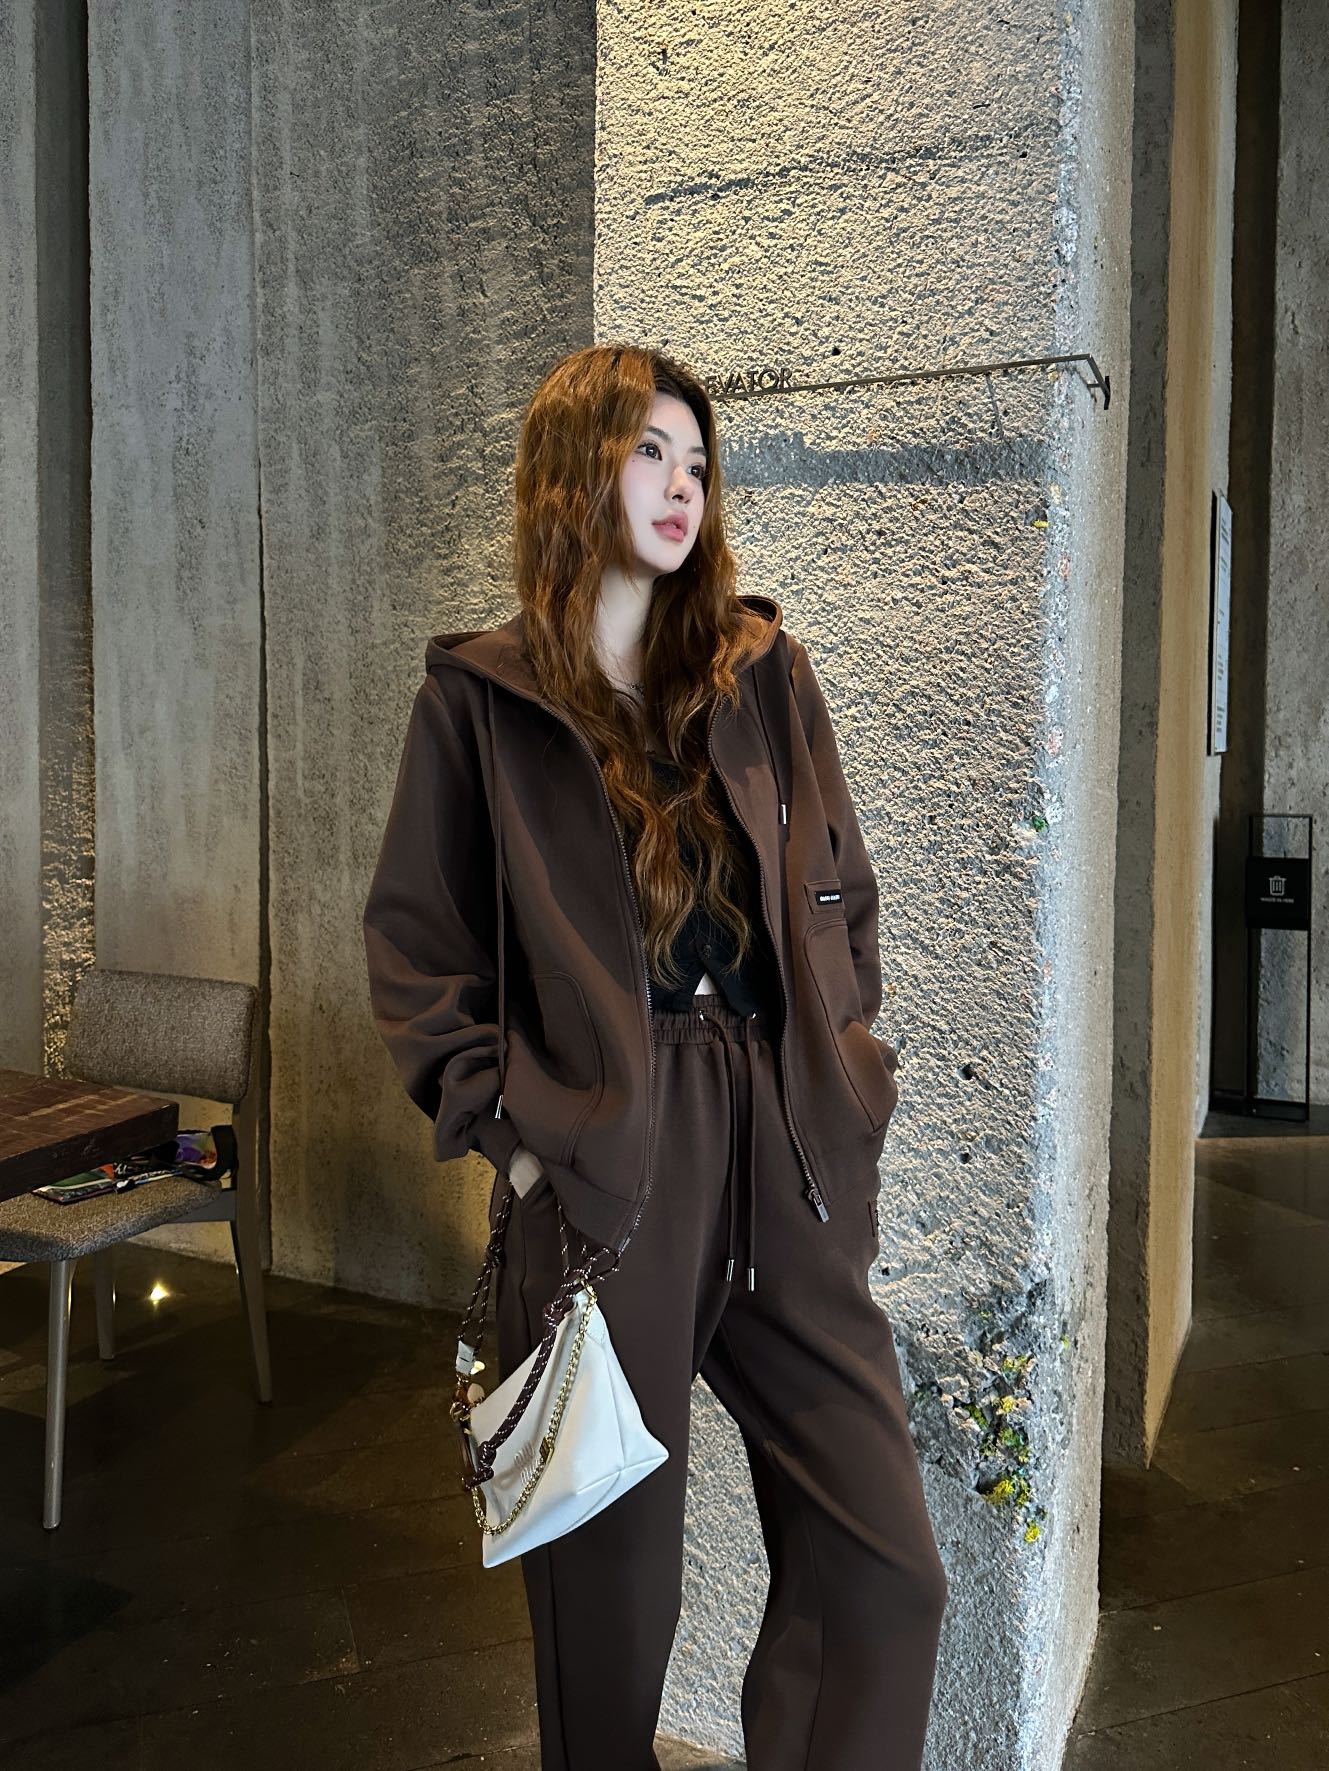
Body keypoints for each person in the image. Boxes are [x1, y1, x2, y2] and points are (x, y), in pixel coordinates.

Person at [362, 343, 948, 1770]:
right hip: (609, 1167)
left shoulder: (763, 673)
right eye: (648, 454)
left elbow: (839, 895)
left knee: (883, 1572)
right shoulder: (483, 702)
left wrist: (848, 1071)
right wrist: (520, 1142)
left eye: (696, 462)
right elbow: (419, 951)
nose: (682, 486)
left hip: (784, 1139)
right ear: (575, 474)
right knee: (611, 1615)